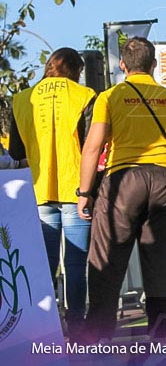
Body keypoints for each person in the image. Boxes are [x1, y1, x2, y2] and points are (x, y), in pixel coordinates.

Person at [76, 37, 166, 341]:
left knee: (106, 261)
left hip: (123, 180)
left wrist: (84, 194)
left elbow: (93, 148)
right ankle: (162, 338)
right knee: (158, 264)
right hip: (162, 179)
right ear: (153, 65)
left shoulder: (110, 96)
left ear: (122, 65)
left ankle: (98, 338)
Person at [8, 48, 96, 337]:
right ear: (76, 70)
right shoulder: (85, 96)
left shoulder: (21, 100)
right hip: (76, 191)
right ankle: (77, 325)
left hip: (37, 191)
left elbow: (16, 154)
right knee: (75, 264)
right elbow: (89, 146)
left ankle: (44, 324)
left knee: (44, 266)